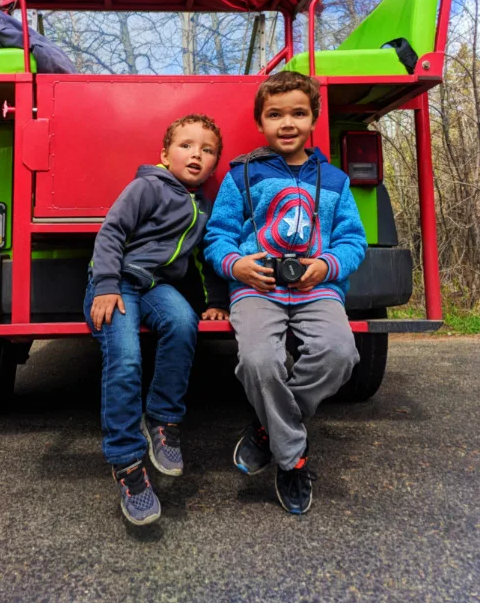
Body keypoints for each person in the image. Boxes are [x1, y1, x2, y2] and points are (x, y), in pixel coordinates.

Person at [204, 72, 367, 515]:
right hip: (257, 288)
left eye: (298, 112)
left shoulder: (333, 180)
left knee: (339, 354)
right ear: (260, 123)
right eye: (275, 114)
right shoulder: (241, 175)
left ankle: (268, 429)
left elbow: (353, 241)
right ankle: (292, 458)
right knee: (259, 360)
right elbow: (217, 235)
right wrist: (236, 264)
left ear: (314, 118)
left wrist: (325, 266)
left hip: (317, 289)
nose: (288, 122)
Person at [85, 113, 229, 526]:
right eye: (186, 146)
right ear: (164, 154)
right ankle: (128, 463)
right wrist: (107, 284)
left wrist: (215, 300)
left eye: (208, 150)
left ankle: (164, 420)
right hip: (116, 285)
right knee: (126, 359)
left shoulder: (203, 205)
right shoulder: (148, 186)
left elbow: (202, 259)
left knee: (184, 324)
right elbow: (111, 231)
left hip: (156, 288)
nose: (197, 155)